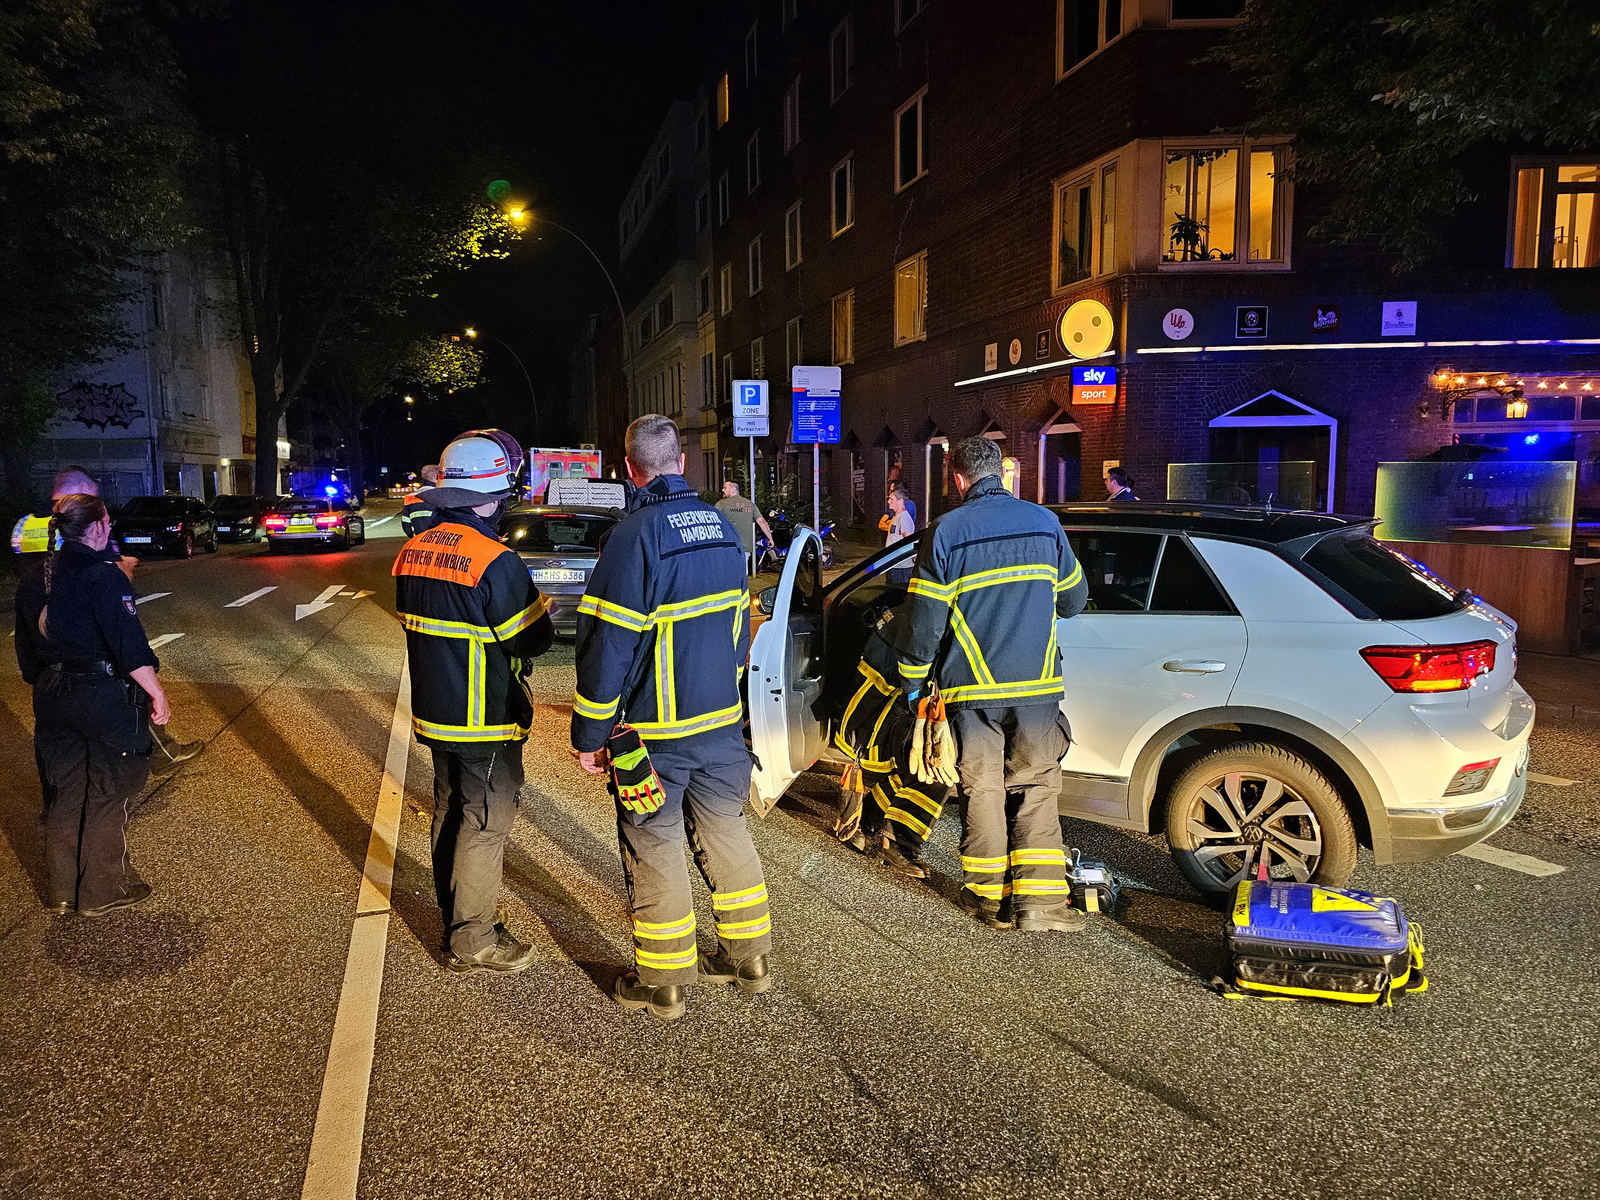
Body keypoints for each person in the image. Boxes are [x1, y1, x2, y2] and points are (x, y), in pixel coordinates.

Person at [573, 414, 771, 1022]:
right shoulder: (722, 528)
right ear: (682, 460)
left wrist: (590, 734)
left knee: (654, 841)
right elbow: (740, 630)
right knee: (727, 832)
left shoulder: (634, 537)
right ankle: (749, 959)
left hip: (653, 735)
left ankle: (661, 982)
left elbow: (609, 647)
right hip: (720, 727)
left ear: (630, 468)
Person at [895, 435, 1089, 933]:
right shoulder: (1044, 523)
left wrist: (914, 683)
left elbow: (923, 624)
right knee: (1038, 785)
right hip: (1037, 687)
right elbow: (1073, 600)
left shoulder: (945, 533)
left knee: (981, 788)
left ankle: (987, 898)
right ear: (1000, 473)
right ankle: (1040, 905)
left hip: (972, 691)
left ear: (958, 479)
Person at [394, 433, 554, 973]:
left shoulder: (413, 549)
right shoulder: (494, 559)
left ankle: (457, 913)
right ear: (496, 491)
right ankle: (473, 939)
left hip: (435, 713)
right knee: (484, 824)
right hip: (485, 716)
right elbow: (530, 639)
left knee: (449, 809)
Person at [15, 494, 172, 916]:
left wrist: (52, 683)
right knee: (110, 790)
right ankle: (102, 890)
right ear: (99, 526)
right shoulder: (103, 576)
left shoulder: (35, 578)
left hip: (50, 696)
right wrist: (156, 691)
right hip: (102, 695)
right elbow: (129, 646)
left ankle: (63, 891)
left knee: (66, 791)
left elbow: (27, 657)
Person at [12, 467, 201, 778]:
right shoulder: (83, 526)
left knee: (61, 754)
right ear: (69, 494)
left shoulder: (29, 524)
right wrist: (119, 576)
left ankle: (63, 804)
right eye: (91, 495)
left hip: (49, 669)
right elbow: (102, 600)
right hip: (87, 666)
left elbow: (25, 572)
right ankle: (140, 765)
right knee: (118, 716)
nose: (97, 502)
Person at [833, 613, 948, 877]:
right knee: (935, 767)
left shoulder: (910, 615)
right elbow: (914, 678)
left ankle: (870, 819)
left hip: (881, 728)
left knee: (925, 766)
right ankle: (896, 842)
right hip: (877, 734)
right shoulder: (927, 624)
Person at [714, 478, 773, 569]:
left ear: (733, 489)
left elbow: (713, 522)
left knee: (728, 572)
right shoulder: (749, 504)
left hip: (727, 546)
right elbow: (762, 522)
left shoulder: (721, 504)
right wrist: (770, 538)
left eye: (725, 488)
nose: (722, 490)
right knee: (742, 572)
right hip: (745, 546)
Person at [399, 464, 441, 537]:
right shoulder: (442, 495)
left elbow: (406, 523)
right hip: (439, 540)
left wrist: (413, 537)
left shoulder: (411, 497)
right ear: (436, 477)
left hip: (419, 540)